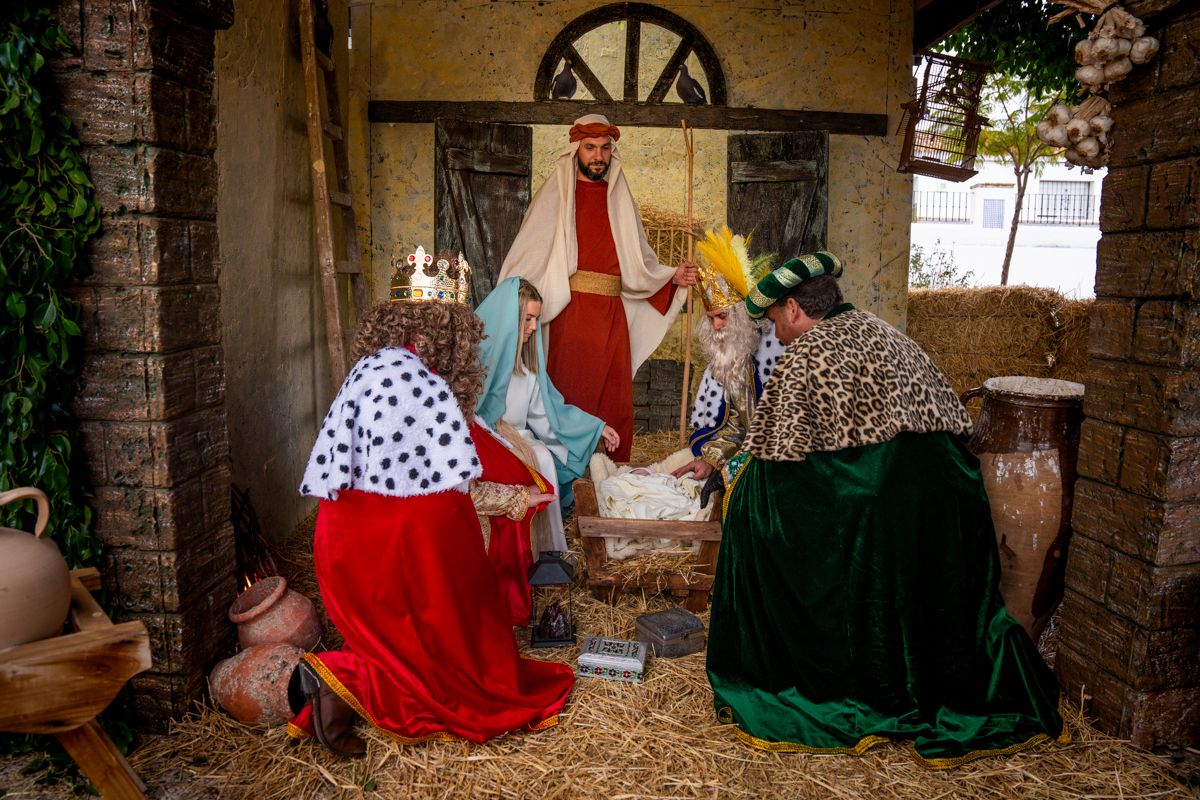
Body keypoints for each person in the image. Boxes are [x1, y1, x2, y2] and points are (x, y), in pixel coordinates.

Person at [705, 251, 1066, 767]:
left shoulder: (806, 356)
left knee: (750, 522)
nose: (775, 335)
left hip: (876, 515)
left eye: (773, 323)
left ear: (792, 310)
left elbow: (777, 472)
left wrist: (737, 500)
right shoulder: (886, 332)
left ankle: (815, 681)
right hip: (943, 509)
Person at [289, 247, 573, 756]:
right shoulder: (426, 386)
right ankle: (339, 678)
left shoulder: (372, 367)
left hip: (343, 549)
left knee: (398, 647)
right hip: (395, 552)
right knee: (454, 650)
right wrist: (505, 515)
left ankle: (334, 692)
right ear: (451, 329)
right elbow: (441, 503)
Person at [497, 113, 697, 463]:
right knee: (568, 391)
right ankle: (569, 476)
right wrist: (513, 301)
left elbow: (638, 263)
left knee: (614, 399)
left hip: (611, 316)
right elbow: (529, 254)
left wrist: (670, 278)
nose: (598, 156)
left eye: (605, 148)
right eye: (590, 148)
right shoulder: (555, 195)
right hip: (568, 314)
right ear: (576, 149)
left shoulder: (619, 198)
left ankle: (612, 478)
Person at [476, 276, 619, 553]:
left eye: (535, 320)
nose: (533, 328)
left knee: (541, 456)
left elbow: (549, 417)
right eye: (527, 319)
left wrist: (593, 429)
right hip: (487, 441)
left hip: (522, 439)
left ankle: (545, 552)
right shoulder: (479, 364)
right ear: (510, 317)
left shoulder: (527, 372)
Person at [668, 226, 784, 483]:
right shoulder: (737, 353)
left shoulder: (779, 350)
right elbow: (739, 424)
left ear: (743, 314)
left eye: (722, 316)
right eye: (711, 319)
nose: (717, 326)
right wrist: (712, 459)